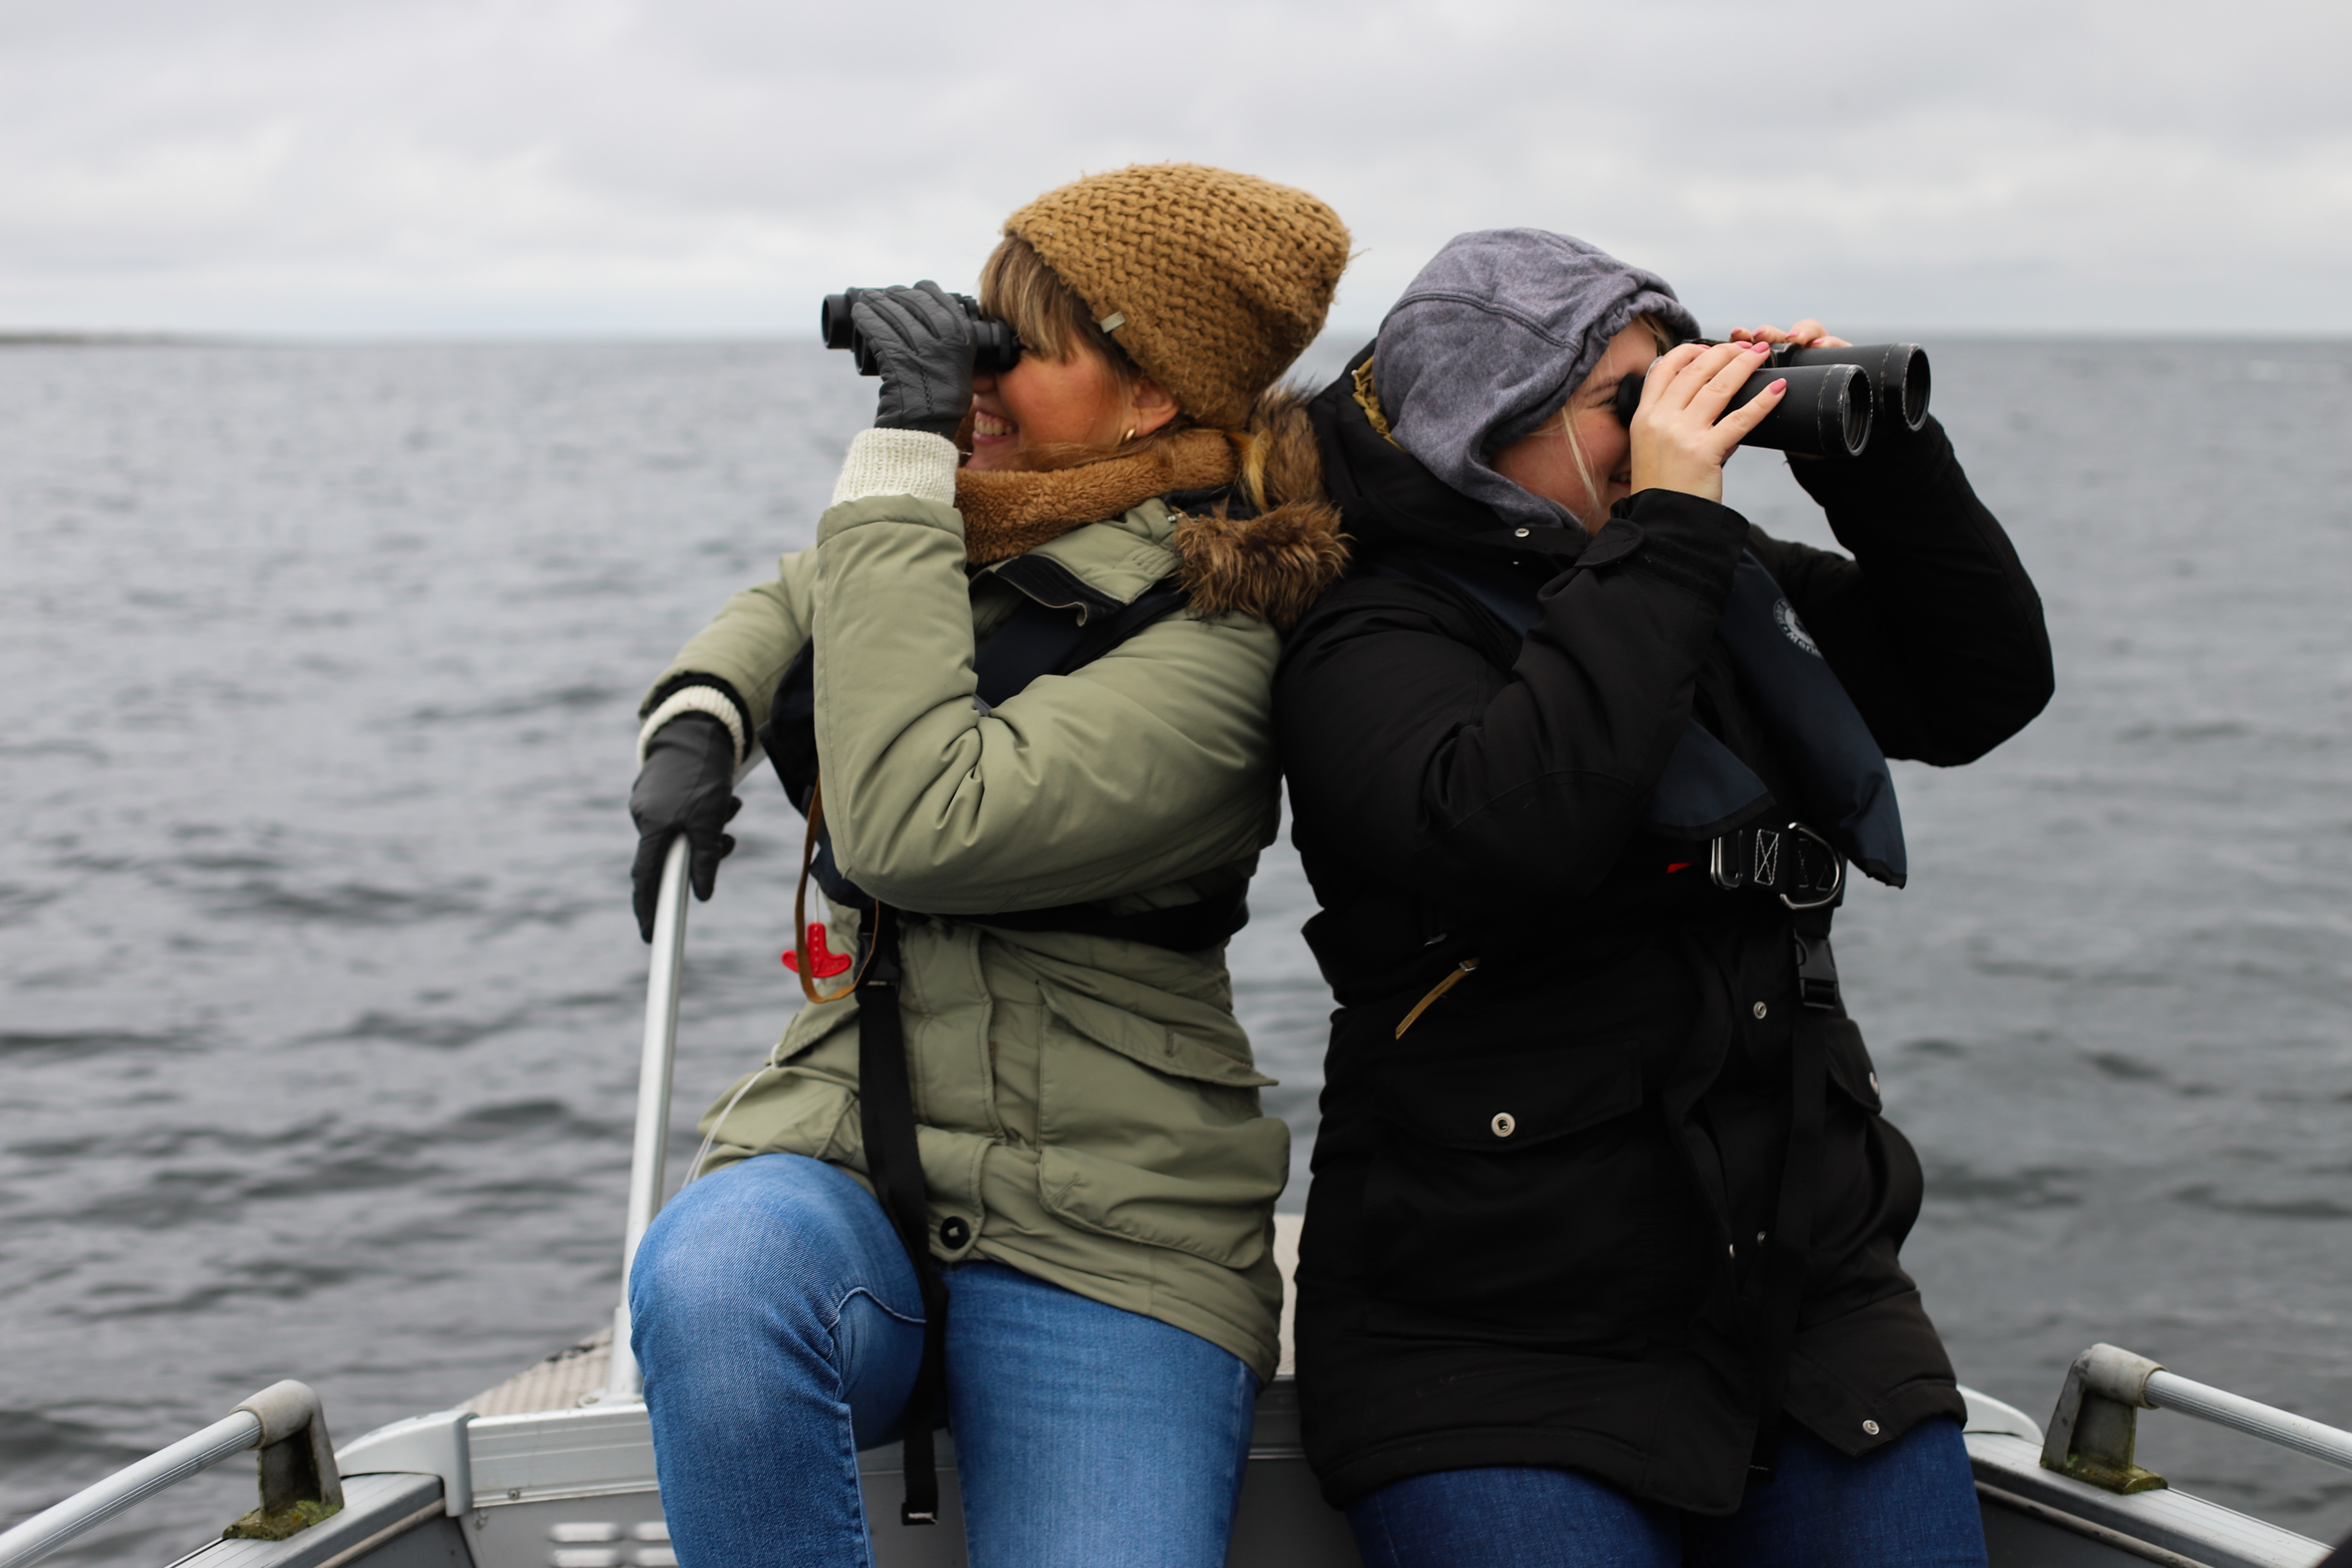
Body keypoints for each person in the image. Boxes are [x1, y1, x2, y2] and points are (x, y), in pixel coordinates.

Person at [1273, 229, 2055, 1566]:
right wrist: (1669, 523)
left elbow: (1978, 685)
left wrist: (1876, 462)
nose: (1663, 431)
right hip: (1489, 1331)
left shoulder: (1703, 572)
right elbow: (1507, 833)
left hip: (1800, 1296)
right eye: (1622, 404)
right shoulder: (1367, 628)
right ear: (1481, 429)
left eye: (1671, 388)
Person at [619, 165, 1351, 1568]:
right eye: (980, 335)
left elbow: (913, 822)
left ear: (1152, 396)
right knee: (712, 1273)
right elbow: (802, 587)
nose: (980, 377)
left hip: (1113, 1230)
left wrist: (903, 450)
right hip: (849, 1148)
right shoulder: (975, 536)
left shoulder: (1227, 641)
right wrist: (700, 712)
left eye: (1026, 346)